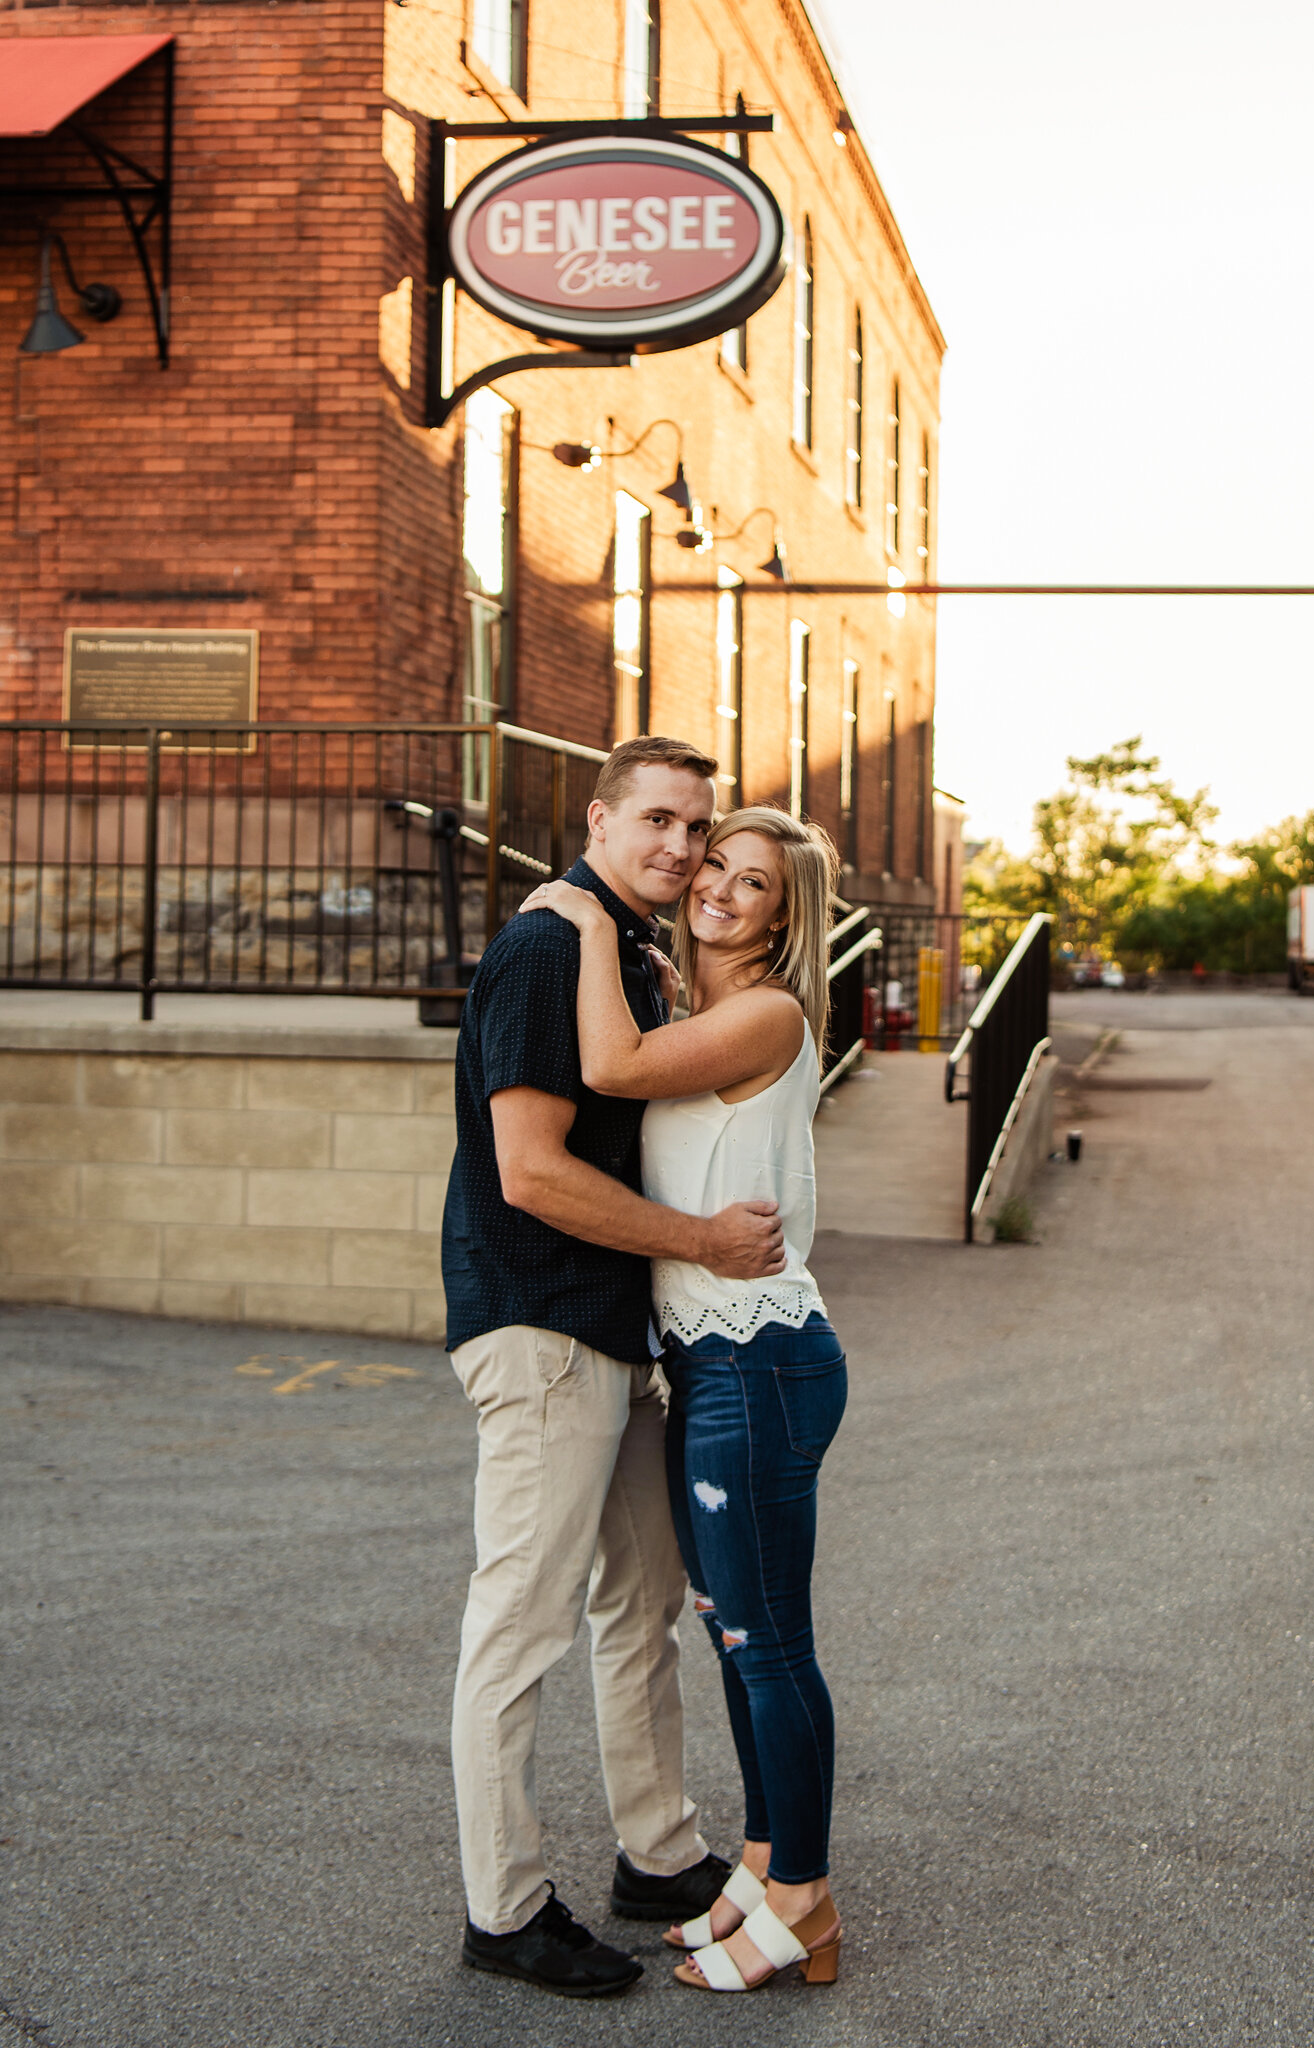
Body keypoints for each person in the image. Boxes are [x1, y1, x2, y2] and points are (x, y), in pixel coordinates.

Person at [442, 736, 789, 2000]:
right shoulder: (547, 944)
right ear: (597, 816)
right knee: (519, 1624)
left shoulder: (628, 950)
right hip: (540, 1324)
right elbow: (530, 1169)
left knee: (638, 1606)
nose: (679, 847)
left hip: (619, 1330)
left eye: (694, 826)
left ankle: (657, 1852)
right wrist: (703, 1242)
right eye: (654, 818)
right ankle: (506, 1905)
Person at [523, 804, 847, 1995]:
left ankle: (805, 1897)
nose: (717, 886)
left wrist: (580, 913)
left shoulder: (762, 1013)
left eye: (751, 881)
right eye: (716, 862)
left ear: (781, 914)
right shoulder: (701, 1004)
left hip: (758, 1357)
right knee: (733, 1631)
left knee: (772, 1647)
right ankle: (761, 1870)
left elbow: (608, 1065)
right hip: (710, 1357)